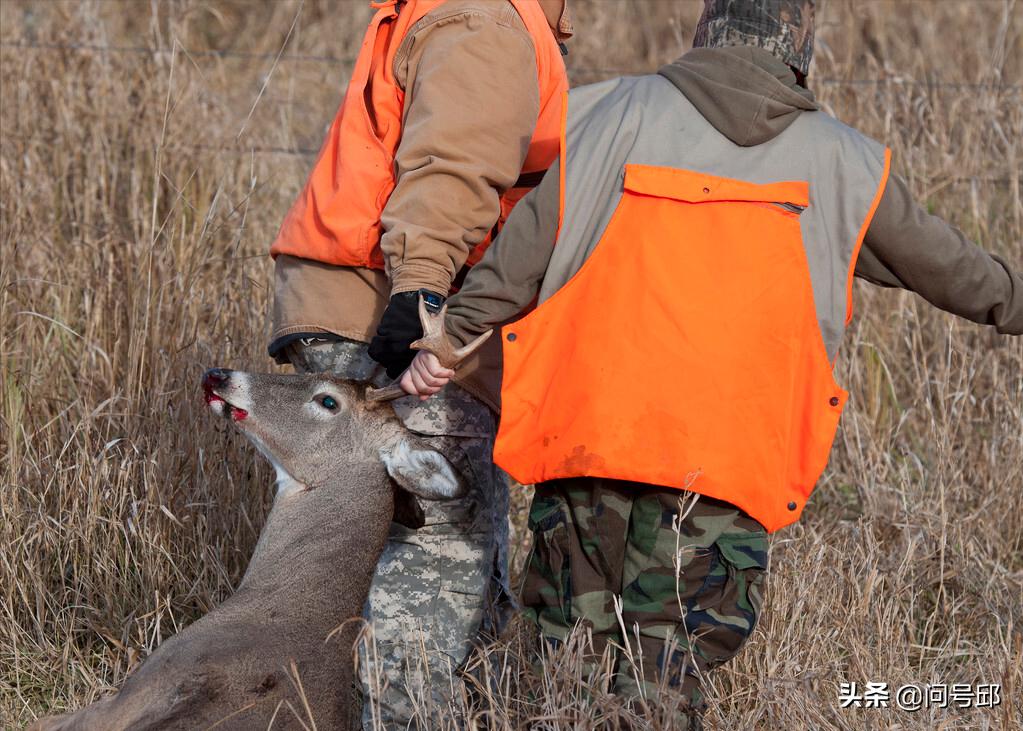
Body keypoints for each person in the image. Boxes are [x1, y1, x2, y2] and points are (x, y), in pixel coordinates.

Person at [398, 0, 1023, 724]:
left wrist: (449, 340)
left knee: (563, 671)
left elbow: (519, 259)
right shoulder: (845, 163)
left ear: (706, 31)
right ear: (798, 45)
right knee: (666, 679)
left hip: (588, 443)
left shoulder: (609, 113)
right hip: (720, 474)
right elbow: (959, 273)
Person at [266, 0, 571, 727]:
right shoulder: (487, 22)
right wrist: (422, 291)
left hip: (340, 309)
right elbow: (453, 165)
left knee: (349, 573)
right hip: (403, 321)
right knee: (433, 577)